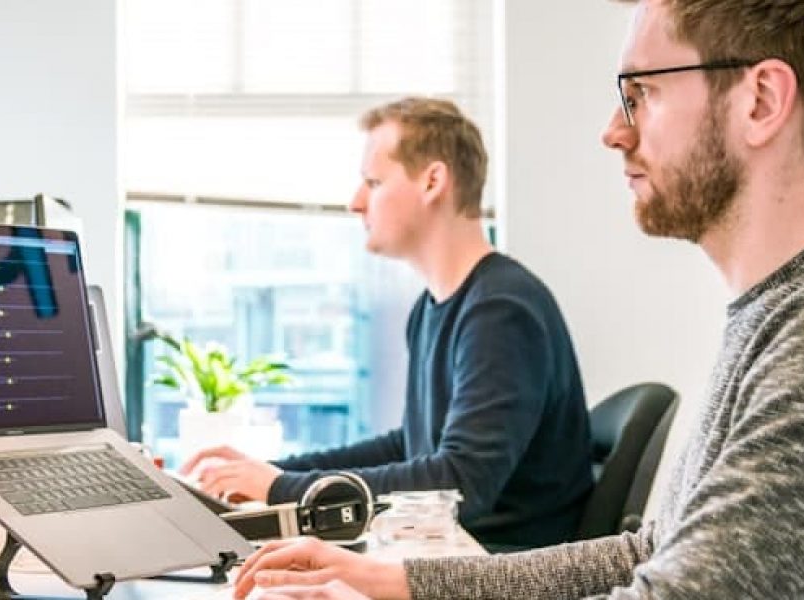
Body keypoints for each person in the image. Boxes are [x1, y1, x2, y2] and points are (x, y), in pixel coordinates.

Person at [230, 0, 804, 598]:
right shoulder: (790, 310)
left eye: (641, 94)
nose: (613, 131)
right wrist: (399, 582)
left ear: (760, 100)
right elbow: (655, 552)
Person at [182, 97, 594, 550]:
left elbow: (461, 485)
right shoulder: (433, 308)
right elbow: (411, 446)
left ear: (433, 181)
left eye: (374, 182)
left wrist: (282, 489)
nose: (355, 203)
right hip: (449, 553)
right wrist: (275, 473)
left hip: (498, 564)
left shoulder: (501, 311)